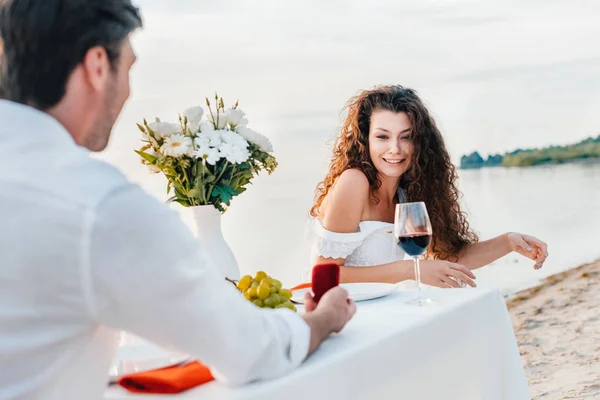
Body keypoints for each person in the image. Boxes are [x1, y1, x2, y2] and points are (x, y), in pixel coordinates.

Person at [0, 1, 355, 399]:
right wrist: (324, 319)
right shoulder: (99, 205)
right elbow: (248, 349)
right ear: (98, 65)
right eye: (129, 68)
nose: (129, 92)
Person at [307, 85, 548, 288]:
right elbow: (322, 278)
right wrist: (413, 270)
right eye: (382, 137)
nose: (395, 149)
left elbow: (449, 256)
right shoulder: (354, 182)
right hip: (341, 315)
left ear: (419, 142)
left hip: (384, 308)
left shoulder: (408, 191)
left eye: (406, 136)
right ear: (364, 140)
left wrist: (508, 242)